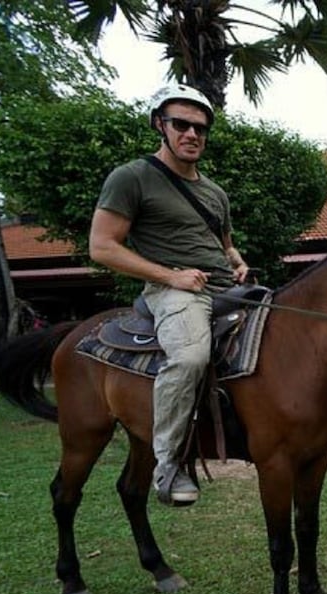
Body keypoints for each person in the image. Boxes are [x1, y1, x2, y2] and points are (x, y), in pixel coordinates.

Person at [89, 84, 250, 505]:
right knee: (191, 357)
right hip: (174, 293)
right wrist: (171, 276)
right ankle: (170, 464)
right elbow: (102, 246)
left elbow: (224, 241)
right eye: (181, 124)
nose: (192, 134)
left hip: (226, 288)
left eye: (200, 127)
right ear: (160, 125)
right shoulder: (132, 177)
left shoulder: (215, 192)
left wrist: (235, 259)